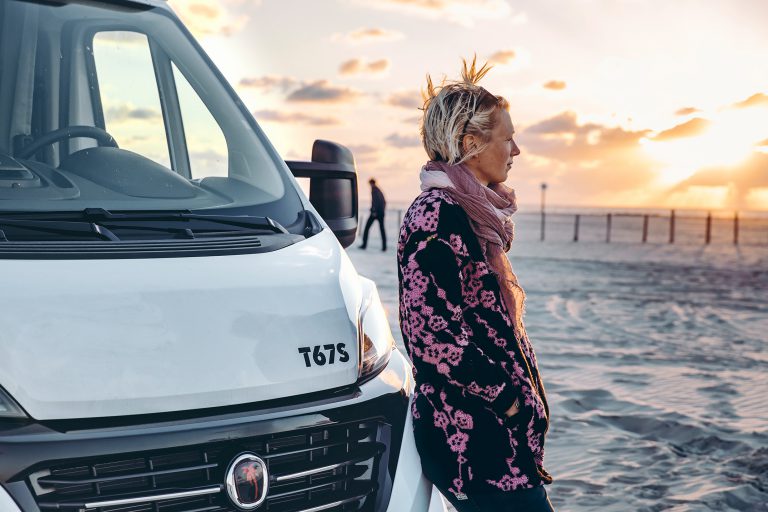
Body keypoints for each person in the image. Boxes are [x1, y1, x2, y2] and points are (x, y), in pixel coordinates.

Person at [397, 57, 554, 512]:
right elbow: (432, 337)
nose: (516, 150)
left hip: (495, 441)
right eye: (507, 138)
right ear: (470, 143)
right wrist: (505, 398)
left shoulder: (468, 215)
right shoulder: (436, 217)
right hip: (472, 442)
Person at [359, 177, 387, 251]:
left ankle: (364, 245)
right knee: (382, 229)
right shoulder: (378, 189)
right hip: (380, 213)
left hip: (376, 213)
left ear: (371, 183)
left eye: (370, 184)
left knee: (367, 228)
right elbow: (383, 202)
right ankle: (384, 247)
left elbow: (375, 202)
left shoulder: (374, 190)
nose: (369, 185)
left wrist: (374, 211)